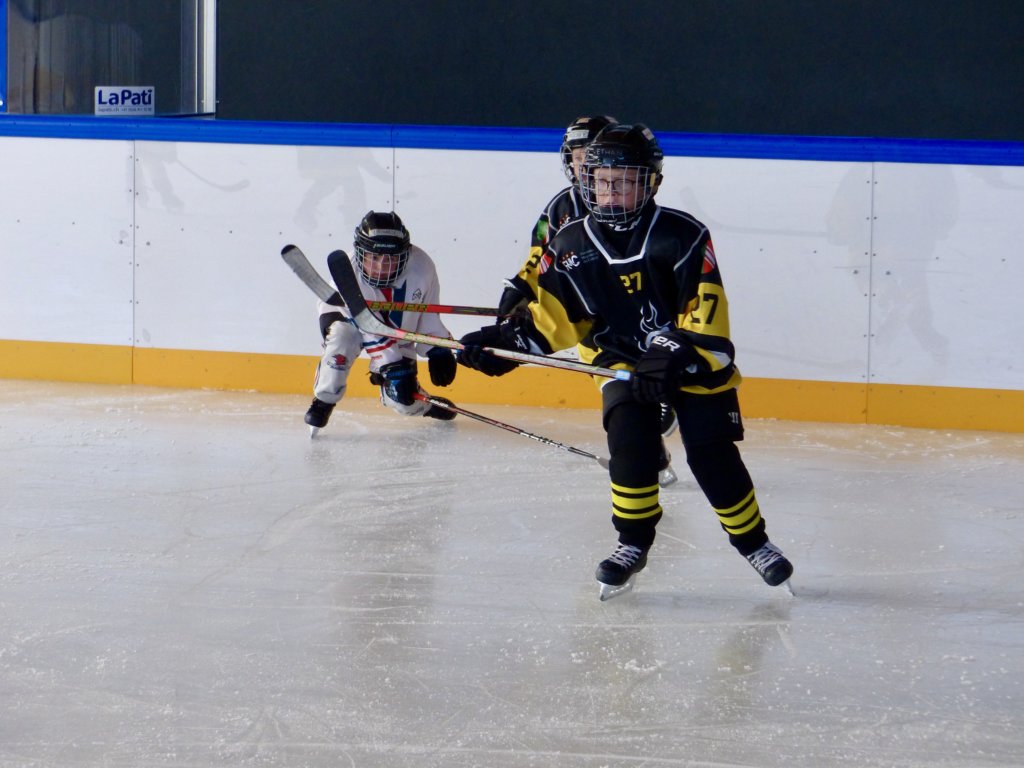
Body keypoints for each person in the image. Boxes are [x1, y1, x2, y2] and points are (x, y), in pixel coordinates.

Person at [457, 124, 793, 598]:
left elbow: (707, 319)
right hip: (619, 361)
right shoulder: (570, 244)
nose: (610, 191)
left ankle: (754, 543)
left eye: (624, 181)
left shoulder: (682, 235)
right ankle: (632, 542)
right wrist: (505, 344)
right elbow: (555, 320)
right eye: (600, 180)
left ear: (650, 183)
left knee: (712, 454)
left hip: (690, 362)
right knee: (629, 445)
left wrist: (669, 352)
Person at [499, 114, 679, 444]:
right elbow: (541, 254)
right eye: (576, 157)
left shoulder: (629, 202)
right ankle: (643, 446)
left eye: (587, 156)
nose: (581, 165)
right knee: (621, 397)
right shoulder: (560, 207)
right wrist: (521, 288)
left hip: (633, 313)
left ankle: (653, 419)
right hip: (587, 318)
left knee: (648, 372)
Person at [303, 210, 458, 435]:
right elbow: (368, 327)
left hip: (398, 329)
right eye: (374, 258)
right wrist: (391, 365)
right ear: (360, 253)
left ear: (405, 254)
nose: (381, 266)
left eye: (391, 258)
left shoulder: (422, 266)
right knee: (341, 338)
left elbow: (428, 313)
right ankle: (323, 401)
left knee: (402, 400)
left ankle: (424, 405)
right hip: (350, 322)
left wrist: (437, 348)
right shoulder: (346, 271)